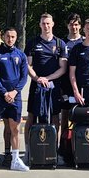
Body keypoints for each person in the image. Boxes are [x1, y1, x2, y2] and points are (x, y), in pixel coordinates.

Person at [0, 24, 30, 173]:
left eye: (13, 37)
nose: (10, 39)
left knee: (15, 129)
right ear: (3, 37)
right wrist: (4, 93)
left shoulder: (21, 55)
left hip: (15, 97)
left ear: (16, 38)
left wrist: (15, 92)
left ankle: (15, 160)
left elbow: (24, 77)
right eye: (8, 36)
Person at [25, 13, 68, 160]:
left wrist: (47, 79)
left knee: (55, 117)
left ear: (53, 24)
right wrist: (37, 78)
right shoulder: (32, 42)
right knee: (31, 116)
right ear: (40, 25)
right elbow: (28, 65)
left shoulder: (60, 43)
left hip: (53, 86)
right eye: (43, 23)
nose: (46, 26)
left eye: (48, 23)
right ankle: (28, 151)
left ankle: (54, 151)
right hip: (36, 85)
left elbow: (63, 68)